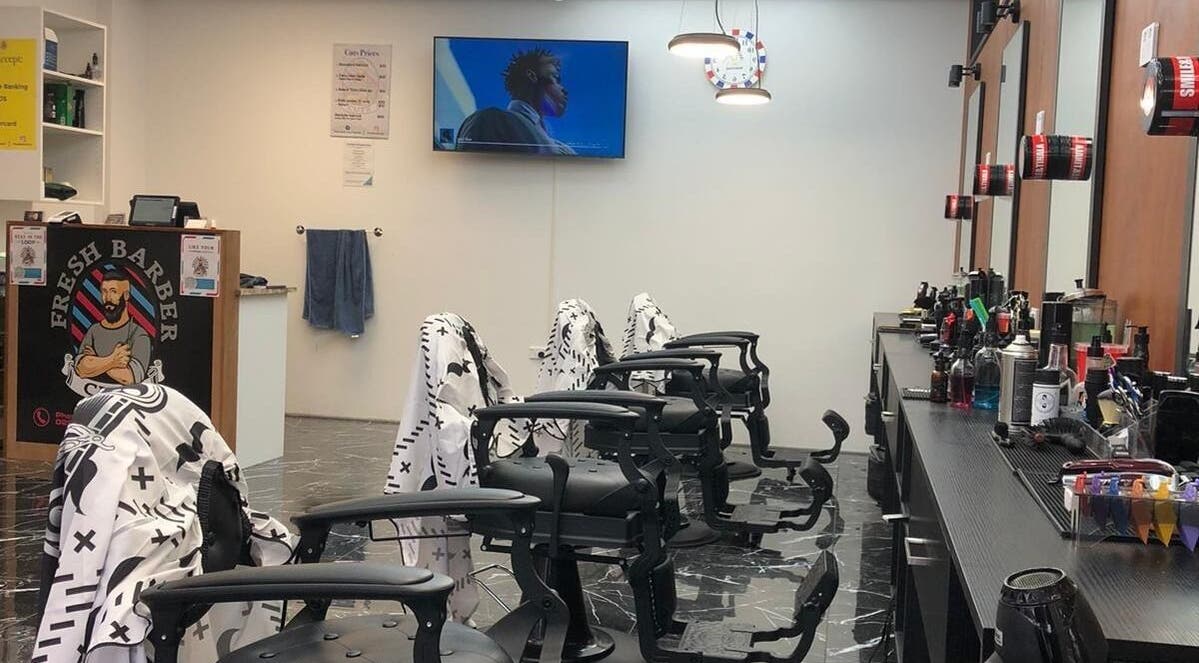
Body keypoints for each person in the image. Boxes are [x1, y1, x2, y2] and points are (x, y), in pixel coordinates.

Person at [456, 47, 575, 155]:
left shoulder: (560, 147)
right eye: (555, 78)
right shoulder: (491, 120)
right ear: (532, 76)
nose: (563, 89)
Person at [73, 270, 152, 385]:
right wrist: (113, 360)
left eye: (113, 292)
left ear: (126, 295)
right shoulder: (94, 330)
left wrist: (95, 360)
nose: (107, 298)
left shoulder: (139, 335)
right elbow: (81, 368)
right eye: (104, 292)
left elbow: (130, 378)